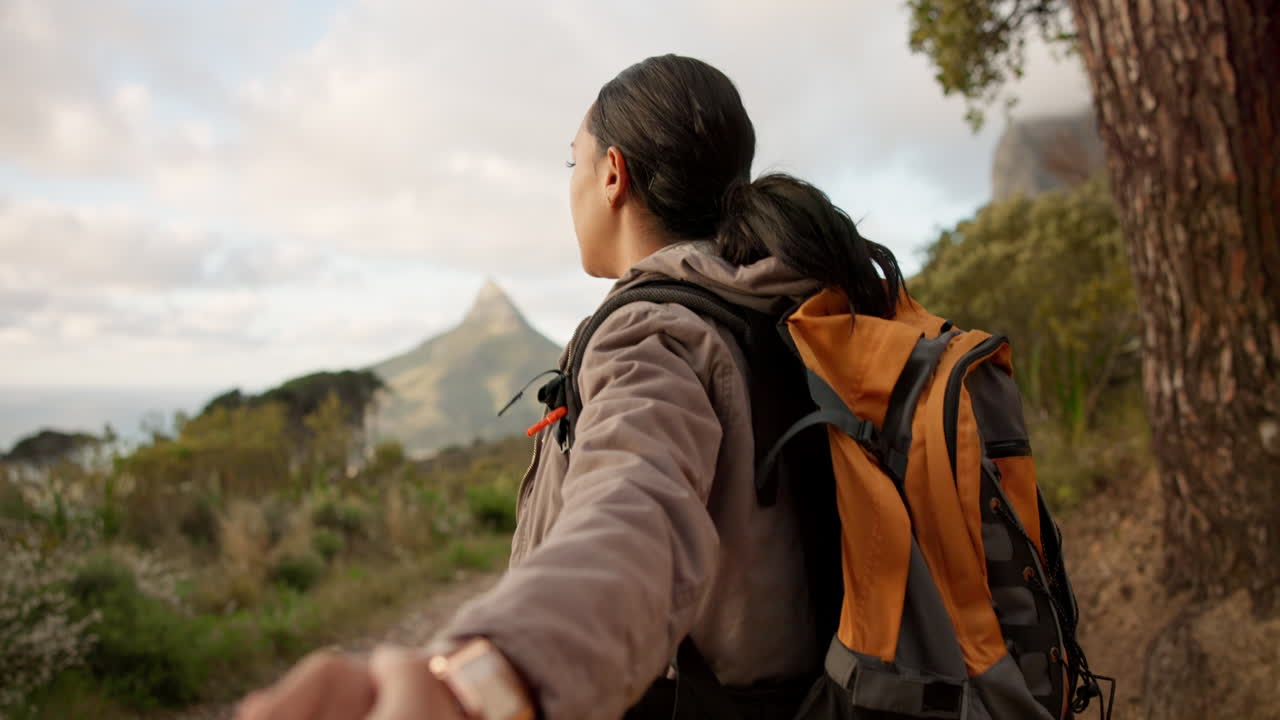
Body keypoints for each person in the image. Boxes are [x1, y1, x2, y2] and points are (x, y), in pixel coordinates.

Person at [234, 53, 904, 720]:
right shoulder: (782, 311)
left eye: (571, 161)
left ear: (612, 174)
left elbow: (635, 513)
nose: (570, 184)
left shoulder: (652, 334)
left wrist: (485, 686)